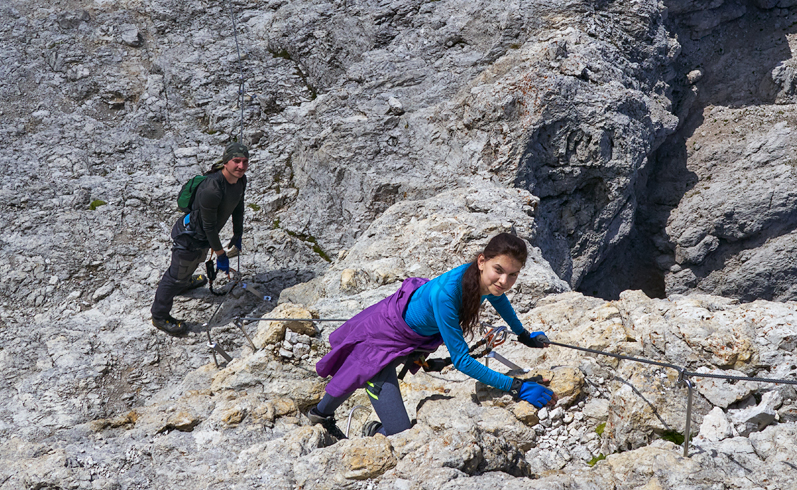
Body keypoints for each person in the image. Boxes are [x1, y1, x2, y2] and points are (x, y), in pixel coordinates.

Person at [309, 232, 555, 438]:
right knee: (400, 432)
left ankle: (320, 414)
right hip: (381, 341)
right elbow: (462, 361)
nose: (503, 281)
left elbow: (497, 298)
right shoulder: (447, 294)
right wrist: (515, 386)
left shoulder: (478, 279)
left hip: (405, 334)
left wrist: (523, 335)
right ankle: (357, 426)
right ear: (482, 261)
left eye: (512, 275)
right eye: (498, 270)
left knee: (354, 370)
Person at [151, 141, 249, 336]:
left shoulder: (240, 180)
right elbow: (208, 226)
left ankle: (185, 282)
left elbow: (238, 205)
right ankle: (159, 315)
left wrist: (237, 233)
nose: (241, 166)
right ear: (226, 162)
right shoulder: (212, 189)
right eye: (236, 161)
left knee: (194, 262)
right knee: (175, 276)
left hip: (203, 237)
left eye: (245, 161)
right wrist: (220, 253)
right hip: (190, 237)